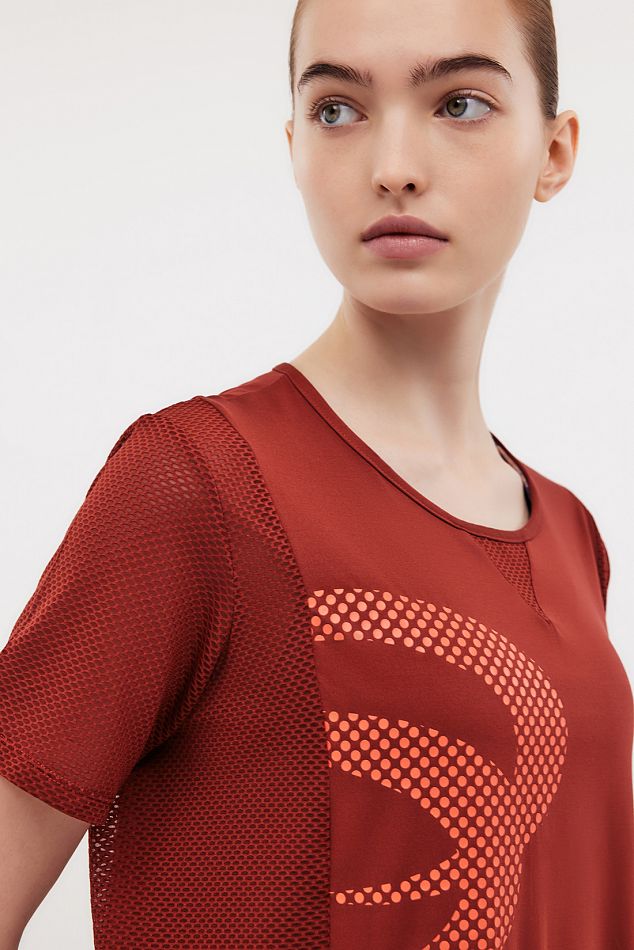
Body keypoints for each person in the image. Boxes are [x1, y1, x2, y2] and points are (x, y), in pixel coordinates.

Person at [0, 0, 632, 947]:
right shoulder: (201, 487)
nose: (394, 166)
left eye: (459, 103)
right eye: (339, 110)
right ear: (295, 147)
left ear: (555, 150)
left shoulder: (572, 536)